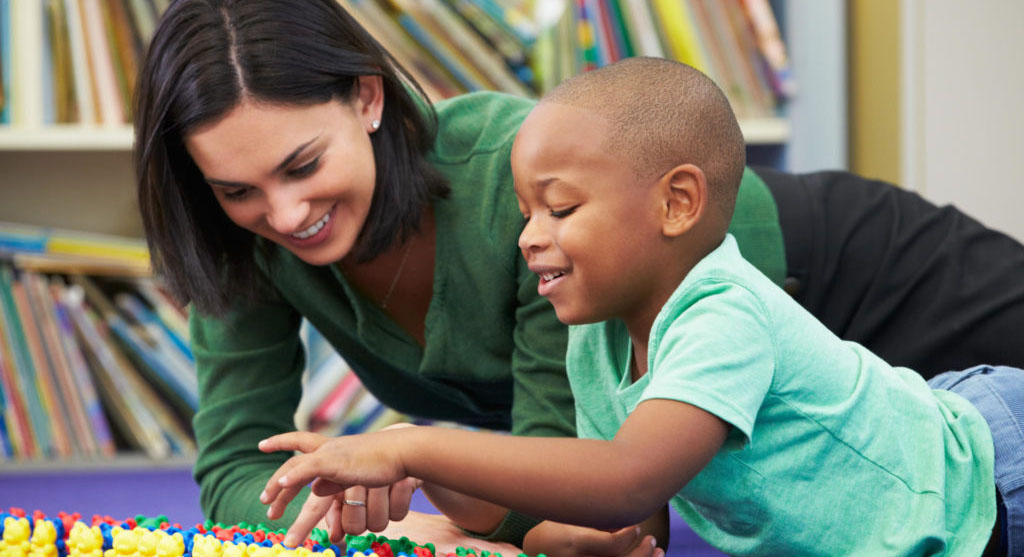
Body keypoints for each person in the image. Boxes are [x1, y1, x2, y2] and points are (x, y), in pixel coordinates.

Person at [134, 0, 1024, 553]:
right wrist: (345, 495)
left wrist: (408, 450)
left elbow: (612, 474)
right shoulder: (238, 241)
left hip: (849, 277)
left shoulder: (529, 206)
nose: (283, 216)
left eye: (301, 166)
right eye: (237, 189)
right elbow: (598, 502)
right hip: (797, 436)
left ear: (368, 98)